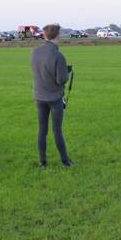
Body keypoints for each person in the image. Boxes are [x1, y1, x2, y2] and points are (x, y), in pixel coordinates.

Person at [30, 24, 73, 167]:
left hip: (39, 96)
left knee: (42, 130)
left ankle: (42, 161)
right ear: (58, 36)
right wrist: (66, 72)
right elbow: (61, 80)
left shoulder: (34, 52)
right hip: (54, 98)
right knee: (57, 130)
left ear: (44, 35)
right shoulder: (58, 55)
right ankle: (65, 161)